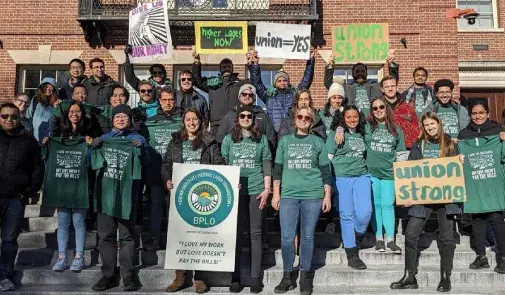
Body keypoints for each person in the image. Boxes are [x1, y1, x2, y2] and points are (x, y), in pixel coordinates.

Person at [390, 112, 460, 292]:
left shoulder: (450, 144)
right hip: (423, 197)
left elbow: (456, 170)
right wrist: (407, 195)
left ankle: (445, 277)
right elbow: (411, 169)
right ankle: (409, 276)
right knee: (411, 234)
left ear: (439, 123)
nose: (430, 128)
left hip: (445, 197)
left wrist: (460, 161)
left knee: (446, 237)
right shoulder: (419, 145)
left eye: (432, 124)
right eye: (426, 125)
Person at [161, 108, 225, 293]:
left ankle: (200, 277)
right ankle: (180, 276)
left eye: (195, 119)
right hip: (180, 196)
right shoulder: (175, 141)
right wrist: (167, 180)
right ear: (184, 122)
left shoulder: (210, 141)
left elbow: (219, 164)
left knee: (201, 235)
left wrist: (228, 180)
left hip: (203, 196)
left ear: (200, 121)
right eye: (188, 119)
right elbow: (166, 165)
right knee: (179, 235)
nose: (191, 122)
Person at [271, 107, 332, 295]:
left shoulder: (318, 142)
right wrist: (276, 193)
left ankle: (305, 275)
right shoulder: (285, 141)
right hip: (288, 194)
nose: (303, 119)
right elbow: (278, 168)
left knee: (307, 237)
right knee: (287, 238)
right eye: (300, 116)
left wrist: (327, 194)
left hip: (313, 195)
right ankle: (287, 275)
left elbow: (325, 171)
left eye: (307, 117)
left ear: (312, 121)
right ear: (295, 119)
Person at [91, 104, 147, 292]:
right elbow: (91, 162)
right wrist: (93, 147)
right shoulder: (104, 139)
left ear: (130, 120)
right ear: (112, 120)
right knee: (105, 236)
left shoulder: (137, 139)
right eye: (117, 117)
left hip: (126, 196)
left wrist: (142, 148)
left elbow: (144, 161)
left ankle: (128, 275)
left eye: (125, 116)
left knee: (127, 236)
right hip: (105, 195)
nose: (121, 119)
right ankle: (108, 275)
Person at [41, 102, 98, 272]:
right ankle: (62, 257)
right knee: (63, 221)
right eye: (71, 111)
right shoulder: (58, 133)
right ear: (66, 114)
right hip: (62, 183)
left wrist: (91, 144)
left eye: (78, 111)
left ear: (83, 113)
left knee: (79, 221)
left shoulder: (90, 132)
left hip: (81, 183)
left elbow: (94, 156)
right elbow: (47, 156)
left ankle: (79, 257)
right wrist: (46, 143)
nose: (75, 114)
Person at [221, 105, 272, 293]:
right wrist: (229, 183)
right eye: (242, 116)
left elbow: (267, 164)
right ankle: (235, 277)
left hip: (257, 189)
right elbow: (224, 164)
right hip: (235, 191)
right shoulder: (228, 140)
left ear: (253, 119)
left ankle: (255, 277)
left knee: (255, 233)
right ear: (237, 119)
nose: (245, 118)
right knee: (236, 233)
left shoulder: (262, 140)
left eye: (249, 116)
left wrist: (267, 189)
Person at [458, 102, 505, 274]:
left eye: (481, 113)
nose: (477, 116)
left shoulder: (497, 132)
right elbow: (456, 157)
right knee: (477, 222)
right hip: (474, 186)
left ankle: (503, 258)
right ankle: (481, 257)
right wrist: (457, 152)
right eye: (474, 113)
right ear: (470, 115)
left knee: (497, 221)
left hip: (493, 186)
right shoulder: (464, 135)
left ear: (487, 113)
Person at [0, 103, 43, 291]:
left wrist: (29, 191)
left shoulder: (28, 140)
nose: (9, 119)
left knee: (9, 239)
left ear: (19, 118)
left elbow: (37, 168)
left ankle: (4, 275)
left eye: (13, 116)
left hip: (15, 198)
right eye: (4, 116)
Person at [326, 105, 371, 270]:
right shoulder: (336, 134)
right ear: (342, 119)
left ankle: (357, 235)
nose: (352, 120)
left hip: (362, 176)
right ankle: (351, 253)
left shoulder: (362, 133)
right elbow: (328, 159)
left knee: (365, 213)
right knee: (347, 215)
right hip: (341, 177)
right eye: (348, 117)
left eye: (355, 117)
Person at [141, 88, 184, 250]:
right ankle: (154, 239)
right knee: (156, 205)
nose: (168, 102)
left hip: (178, 171)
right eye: (165, 99)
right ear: (159, 101)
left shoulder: (181, 121)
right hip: (156, 170)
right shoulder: (150, 122)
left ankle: (177, 241)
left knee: (176, 208)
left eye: (171, 99)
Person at [365, 97, 406, 253]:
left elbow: (401, 153)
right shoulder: (367, 127)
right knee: (376, 205)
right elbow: (350, 128)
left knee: (388, 205)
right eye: (375, 108)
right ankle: (379, 238)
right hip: (371, 173)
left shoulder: (396, 129)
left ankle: (390, 239)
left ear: (386, 108)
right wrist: (340, 129)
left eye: (381, 107)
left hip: (389, 174)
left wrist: (401, 176)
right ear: (372, 111)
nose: (378, 110)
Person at [248, 49, 315, 132]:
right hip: (274, 133)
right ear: (274, 83)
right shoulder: (268, 95)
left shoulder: (294, 94)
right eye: (279, 81)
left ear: (288, 82)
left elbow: (306, 80)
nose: (282, 83)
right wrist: (255, 65)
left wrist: (311, 59)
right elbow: (257, 83)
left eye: (285, 80)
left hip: (290, 132)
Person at [323, 52, 398, 117]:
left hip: (373, 123)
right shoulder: (346, 88)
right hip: (353, 123)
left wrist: (391, 64)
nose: (360, 73)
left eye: (362, 71)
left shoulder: (375, 87)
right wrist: (330, 66)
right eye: (357, 71)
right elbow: (328, 84)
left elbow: (392, 80)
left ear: (366, 74)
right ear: (352, 74)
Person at [192, 52, 250, 135]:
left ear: (232, 69)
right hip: (216, 124)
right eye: (224, 67)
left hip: (235, 122)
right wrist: (197, 63)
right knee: (216, 147)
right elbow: (198, 81)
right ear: (220, 69)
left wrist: (251, 64)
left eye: (229, 67)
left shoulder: (240, 83)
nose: (227, 68)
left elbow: (254, 83)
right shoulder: (213, 82)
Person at [216, 84, 277, 151]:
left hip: (256, 158)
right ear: (239, 97)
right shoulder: (229, 117)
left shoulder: (262, 116)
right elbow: (220, 139)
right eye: (244, 94)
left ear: (254, 98)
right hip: (233, 158)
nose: (247, 96)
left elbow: (271, 139)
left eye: (250, 95)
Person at [380, 76, 420, 150]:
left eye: (393, 86)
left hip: (405, 149)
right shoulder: (378, 108)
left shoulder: (408, 107)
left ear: (397, 86)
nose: (390, 89)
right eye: (387, 87)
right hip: (385, 148)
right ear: (382, 89)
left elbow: (416, 128)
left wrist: (413, 146)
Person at [26, 77, 61, 143]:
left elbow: (59, 122)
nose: (48, 89)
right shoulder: (35, 100)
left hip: (51, 137)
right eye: (46, 87)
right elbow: (28, 117)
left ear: (54, 88)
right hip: (34, 137)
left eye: (50, 87)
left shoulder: (58, 102)